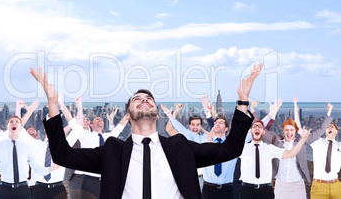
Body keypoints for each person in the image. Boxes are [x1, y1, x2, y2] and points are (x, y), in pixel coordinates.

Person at [29, 64, 262, 198]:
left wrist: (242, 101)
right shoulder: (112, 151)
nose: (144, 100)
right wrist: (52, 104)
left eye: (148, 99)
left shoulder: (180, 147)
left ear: (156, 113)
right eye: (137, 99)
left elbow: (230, 149)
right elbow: (62, 155)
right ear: (128, 115)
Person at [263, 98, 333, 199]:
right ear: (283, 130)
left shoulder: (302, 142)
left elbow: (320, 131)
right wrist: (271, 114)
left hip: (297, 185)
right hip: (280, 185)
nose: (289, 133)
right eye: (286, 130)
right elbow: (261, 130)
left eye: (292, 130)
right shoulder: (276, 141)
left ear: (295, 131)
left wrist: (329, 112)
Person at [239, 119, 311, 199]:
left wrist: (302, 141)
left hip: (266, 190)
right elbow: (226, 151)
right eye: (254, 126)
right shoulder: (242, 148)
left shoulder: (270, 149)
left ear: (263, 132)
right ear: (250, 131)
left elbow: (290, 154)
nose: (257, 128)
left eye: (260, 127)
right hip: (246, 190)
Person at [309, 121, 341, 198]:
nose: (329, 127)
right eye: (327, 127)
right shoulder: (317, 142)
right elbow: (302, 132)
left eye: (332, 126)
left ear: (336, 131)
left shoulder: (339, 146)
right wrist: (296, 111)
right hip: (319, 186)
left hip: (336, 186)